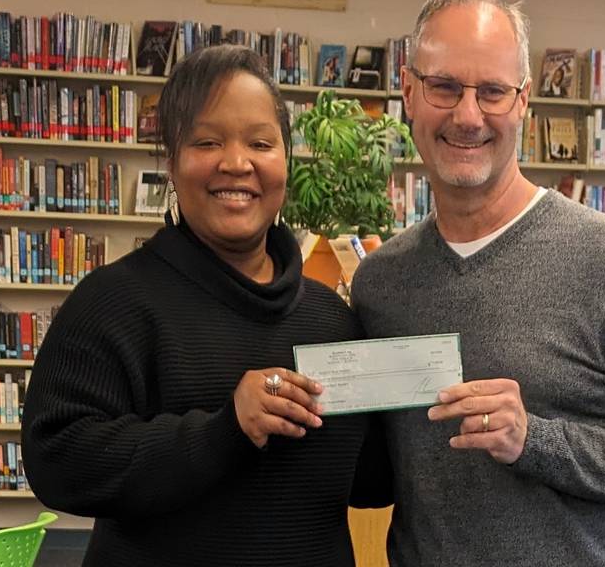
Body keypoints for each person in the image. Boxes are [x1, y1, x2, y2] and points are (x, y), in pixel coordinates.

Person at [351, 0, 605, 567]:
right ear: (409, 92)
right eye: (444, 86)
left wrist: (536, 440)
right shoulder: (380, 281)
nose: (468, 115)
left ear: (523, 101)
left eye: (492, 91)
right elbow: (384, 474)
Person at [21, 45, 389, 567]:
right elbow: (56, 463)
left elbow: (368, 484)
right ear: (170, 160)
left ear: (286, 159)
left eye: (261, 142)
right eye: (208, 141)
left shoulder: (333, 320)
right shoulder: (112, 303)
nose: (237, 163)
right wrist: (225, 430)